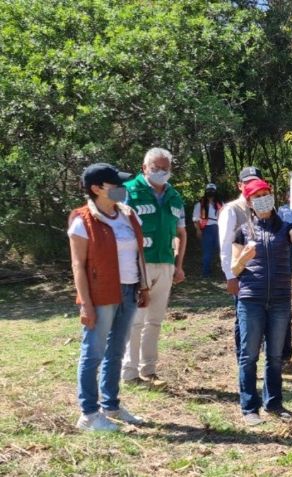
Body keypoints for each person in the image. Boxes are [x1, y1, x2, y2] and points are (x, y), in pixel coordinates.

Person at [68, 163, 149, 431]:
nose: (121, 189)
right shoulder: (82, 220)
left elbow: (138, 254)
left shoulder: (128, 214)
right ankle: (89, 414)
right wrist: (86, 303)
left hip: (129, 289)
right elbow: (78, 265)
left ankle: (111, 404)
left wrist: (143, 286)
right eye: (115, 185)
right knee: (93, 352)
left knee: (116, 351)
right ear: (96, 189)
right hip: (101, 294)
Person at [230, 179, 292, 425]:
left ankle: (274, 403)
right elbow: (235, 269)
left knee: (275, 356)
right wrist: (244, 257)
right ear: (250, 202)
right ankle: (249, 408)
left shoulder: (286, 227)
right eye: (257, 196)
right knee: (249, 355)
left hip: (279, 300)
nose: (263, 198)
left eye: (266, 193)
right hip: (250, 300)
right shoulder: (242, 230)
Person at [219, 167, 292, 374]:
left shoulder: (272, 211)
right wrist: (231, 276)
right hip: (247, 278)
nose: (254, 188)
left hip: (275, 278)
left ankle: (282, 359)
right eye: (247, 182)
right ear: (239, 185)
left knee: (282, 320)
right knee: (245, 324)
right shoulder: (232, 210)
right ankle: (245, 363)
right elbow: (225, 245)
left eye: (257, 182)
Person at [121, 148, 186, 387]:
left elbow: (181, 232)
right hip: (138, 265)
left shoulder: (175, 196)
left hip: (166, 264)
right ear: (144, 168)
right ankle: (129, 373)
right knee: (135, 320)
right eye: (155, 168)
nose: (161, 173)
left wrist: (178, 265)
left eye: (165, 169)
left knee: (155, 320)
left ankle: (149, 370)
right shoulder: (128, 191)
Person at [192, 183, 223, 278]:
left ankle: (226, 271)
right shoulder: (199, 205)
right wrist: (198, 230)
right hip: (207, 229)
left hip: (220, 229)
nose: (211, 192)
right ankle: (206, 272)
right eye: (209, 190)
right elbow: (196, 218)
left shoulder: (220, 204)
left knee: (223, 250)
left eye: (212, 190)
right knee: (207, 252)